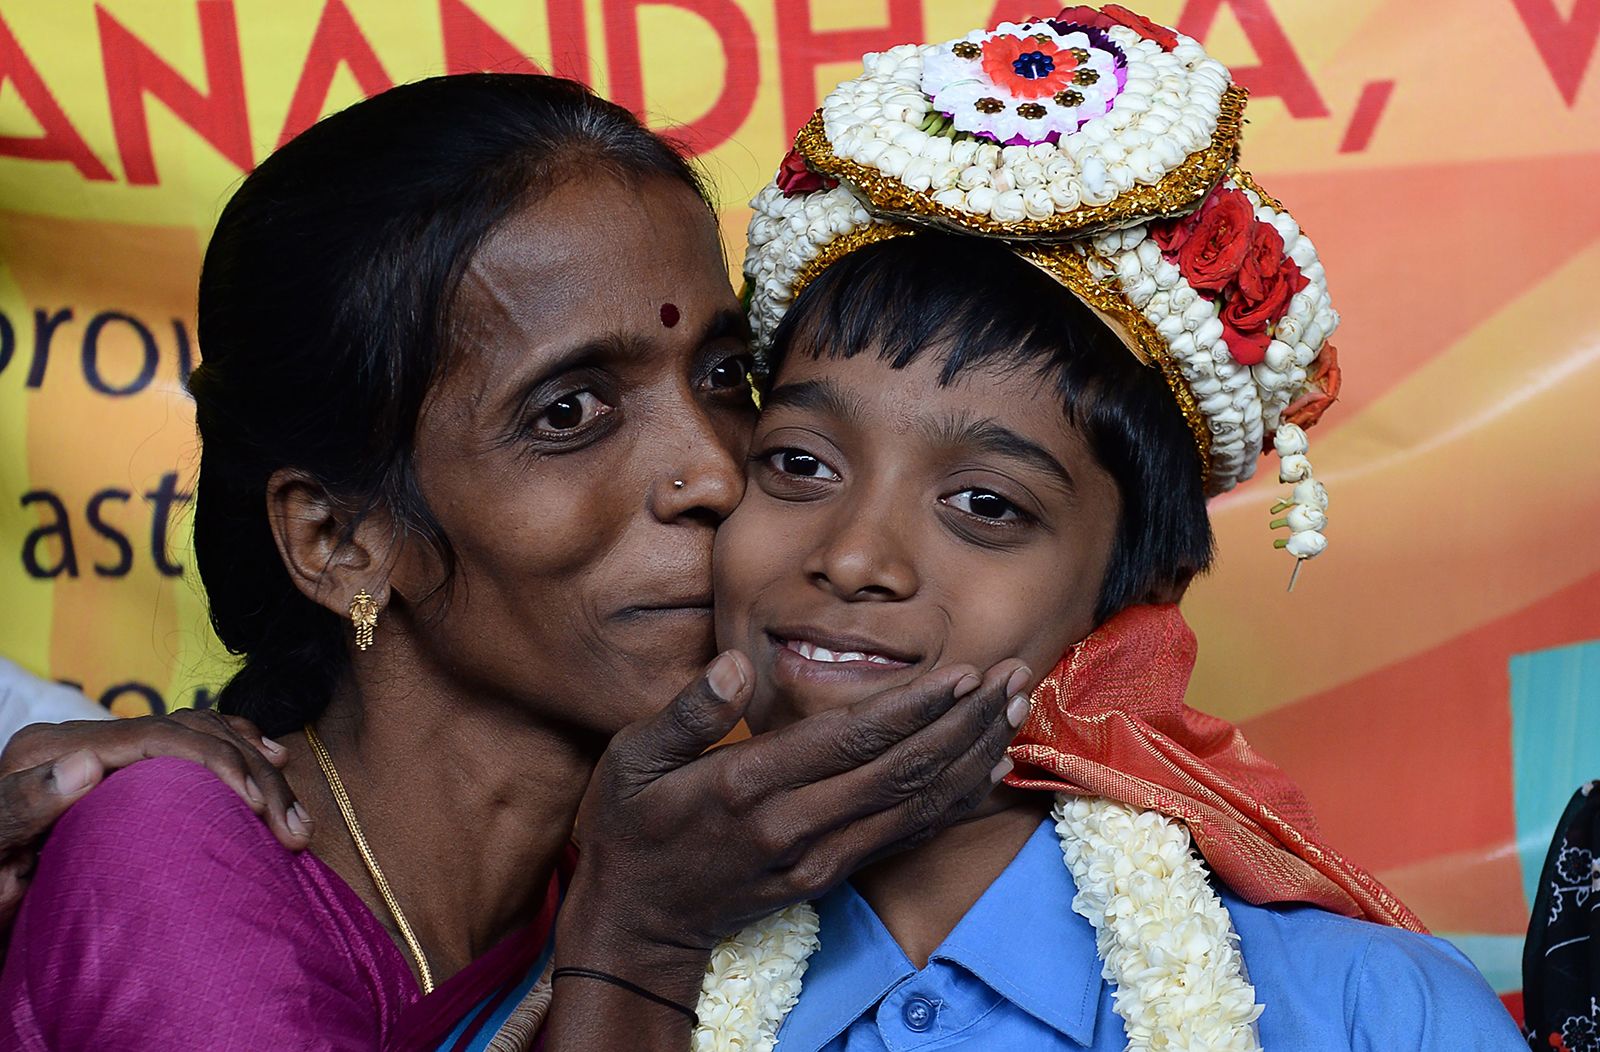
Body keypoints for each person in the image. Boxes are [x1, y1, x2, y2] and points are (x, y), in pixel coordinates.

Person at [0, 73, 1029, 1051]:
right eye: (570, 411)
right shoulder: (168, 846)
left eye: (724, 375)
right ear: (339, 539)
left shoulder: (664, 858)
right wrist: (637, 942)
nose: (714, 470)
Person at [673, 9, 1526, 1048]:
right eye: (800, 463)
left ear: (1135, 588)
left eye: (986, 504)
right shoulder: (610, 986)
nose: (852, 555)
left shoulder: (1367, 1014)